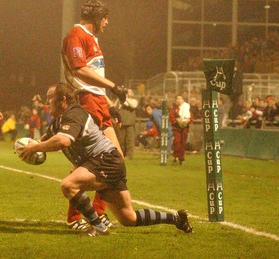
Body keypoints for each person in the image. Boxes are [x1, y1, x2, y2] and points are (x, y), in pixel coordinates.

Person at [18, 83, 193, 236]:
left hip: (105, 160)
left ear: (63, 99)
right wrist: (32, 146)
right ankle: (177, 218)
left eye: (50, 98)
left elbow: (63, 140)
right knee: (129, 218)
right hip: (107, 162)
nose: (46, 103)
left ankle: (99, 227)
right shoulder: (59, 121)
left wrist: (33, 148)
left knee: (68, 185)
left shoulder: (74, 114)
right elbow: (49, 138)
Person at [61, 0, 127, 230]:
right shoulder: (75, 35)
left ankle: (96, 214)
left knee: (114, 160)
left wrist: (110, 105)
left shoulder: (93, 40)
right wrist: (113, 86)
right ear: (97, 17)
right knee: (97, 162)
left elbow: (93, 81)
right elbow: (80, 71)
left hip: (98, 101)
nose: (107, 22)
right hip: (86, 101)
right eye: (105, 18)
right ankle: (77, 218)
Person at [114, 88, 138, 160]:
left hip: (130, 123)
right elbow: (114, 106)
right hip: (121, 123)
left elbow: (133, 105)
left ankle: (129, 155)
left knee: (129, 140)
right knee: (120, 140)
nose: (128, 93)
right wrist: (119, 97)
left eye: (129, 92)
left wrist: (125, 97)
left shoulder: (134, 101)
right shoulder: (121, 102)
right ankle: (121, 154)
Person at [169, 95, 193, 165]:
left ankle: (181, 158)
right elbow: (171, 117)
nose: (179, 100)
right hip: (176, 128)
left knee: (183, 143)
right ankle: (176, 157)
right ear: (175, 100)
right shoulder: (174, 109)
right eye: (177, 99)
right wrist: (177, 121)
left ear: (183, 100)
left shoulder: (186, 108)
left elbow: (191, 116)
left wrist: (187, 120)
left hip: (185, 128)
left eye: (180, 99)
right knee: (177, 141)